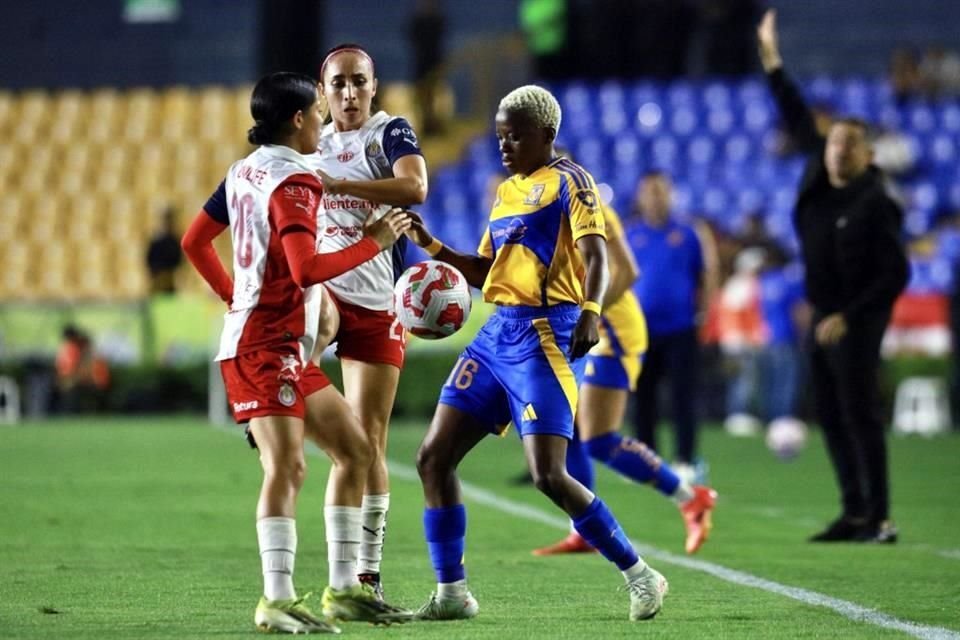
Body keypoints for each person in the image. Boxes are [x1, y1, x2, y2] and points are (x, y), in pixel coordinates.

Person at [407, 85, 669, 622]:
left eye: (516, 135)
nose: (505, 145)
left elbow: (597, 256)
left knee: (548, 474)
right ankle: (452, 593)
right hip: (496, 333)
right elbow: (486, 274)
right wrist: (431, 245)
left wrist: (593, 311)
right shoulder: (505, 194)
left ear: (546, 135)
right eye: (500, 136)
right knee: (433, 458)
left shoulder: (572, 181)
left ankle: (641, 575)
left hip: (548, 335)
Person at [181, 71, 414, 634]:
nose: (323, 122)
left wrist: (235, 296)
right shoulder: (294, 185)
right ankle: (276, 600)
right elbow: (306, 268)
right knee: (287, 466)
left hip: (280, 346)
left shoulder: (245, 171)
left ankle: (343, 592)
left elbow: (195, 241)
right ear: (298, 119)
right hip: (265, 347)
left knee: (356, 452)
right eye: (317, 113)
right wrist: (374, 243)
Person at [758, 10, 910, 543]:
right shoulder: (818, 175)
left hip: (860, 314)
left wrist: (849, 316)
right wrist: (772, 59)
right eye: (833, 142)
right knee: (829, 411)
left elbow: (897, 272)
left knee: (861, 411)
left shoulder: (876, 202)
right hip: (824, 312)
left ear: (868, 155)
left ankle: (881, 516)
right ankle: (853, 512)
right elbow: (794, 110)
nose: (837, 151)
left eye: (849, 145)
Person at [530, 161, 717, 557]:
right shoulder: (537, 207)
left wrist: (589, 315)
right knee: (574, 434)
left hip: (612, 330)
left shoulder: (588, 203)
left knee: (597, 439)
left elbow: (626, 271)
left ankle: (690, 497)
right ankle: (584, 529)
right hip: (586, 326)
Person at [310, 43, 430, 600]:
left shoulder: (389, 133)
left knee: (368, 442)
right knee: (313, 311)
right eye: (338, 84)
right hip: (329, 287)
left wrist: (341, 185)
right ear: (322, 91)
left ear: (374, 86)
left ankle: (366, 577)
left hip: (380, 301)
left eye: (359, 82)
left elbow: (415, 187)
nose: (349, 93)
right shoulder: (311, 143)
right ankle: (279, 394)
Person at [624, 171, 711, 481]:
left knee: (683, 396)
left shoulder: (689, 234)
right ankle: (646, 459)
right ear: (640, 196)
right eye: (649, 191)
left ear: (670, 194)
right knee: (642, 396)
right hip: (641, 329)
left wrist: (704, 313)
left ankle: (686, 460)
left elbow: (706, 276)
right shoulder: (630, 235)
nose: (655, 197)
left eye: (660, 190)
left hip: (680, 328)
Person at [146, 205, 183, 294]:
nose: (169, 222)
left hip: (171, 283)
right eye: (167, 219)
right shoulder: (156, 240)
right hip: (158, 281)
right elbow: (149, 261)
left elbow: (180, 262)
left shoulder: (176, 241)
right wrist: (159, 275)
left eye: (171, 219)